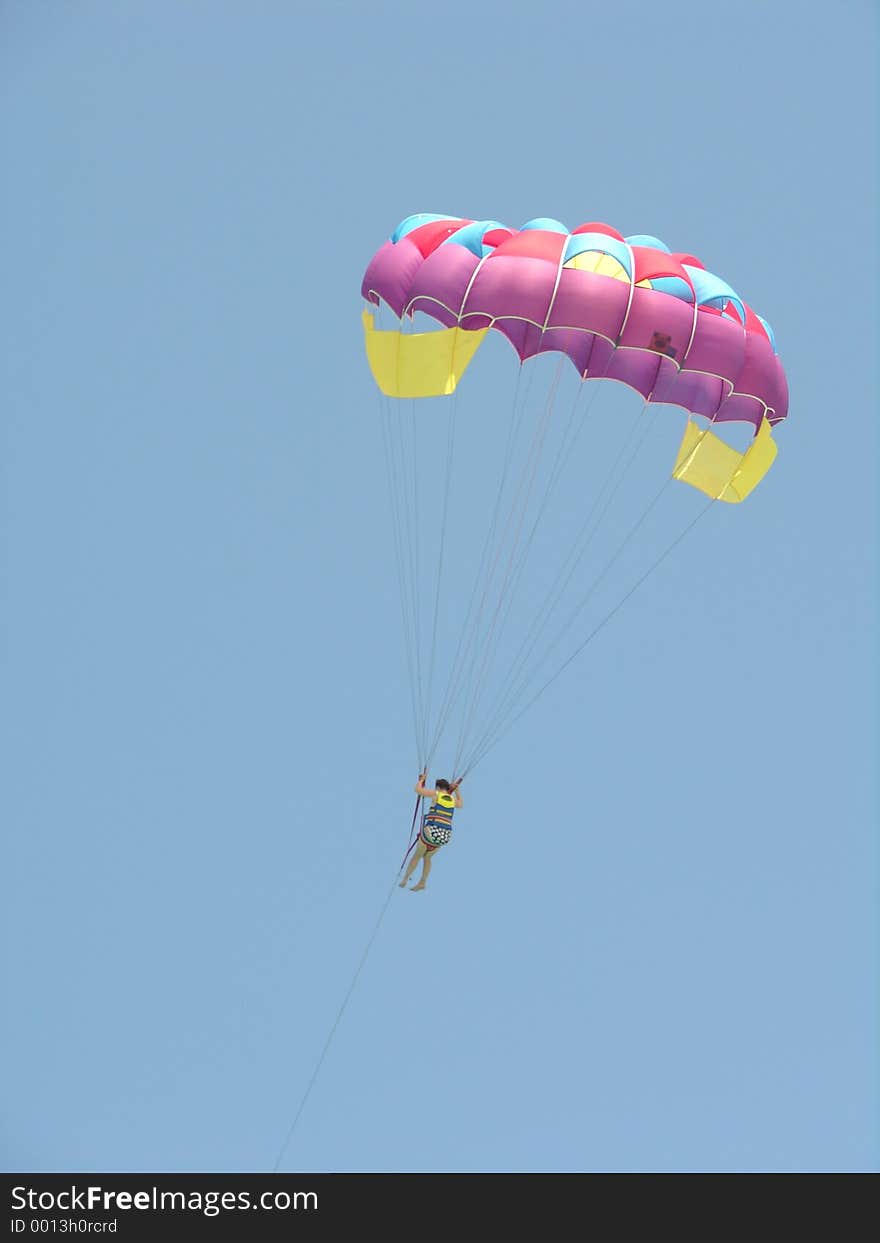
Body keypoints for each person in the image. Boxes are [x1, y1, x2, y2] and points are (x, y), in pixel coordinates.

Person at [399, 771, 463, 891]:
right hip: (444, 837)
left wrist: (421, 780)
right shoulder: (452, 800)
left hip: (432, 832)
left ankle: (405, 878)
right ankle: (422, 882)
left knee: (417, 855)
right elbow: (461, 804)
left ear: (438, 788)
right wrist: (457, 790)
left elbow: (418, 790)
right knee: (427, 858)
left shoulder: (436, 794)